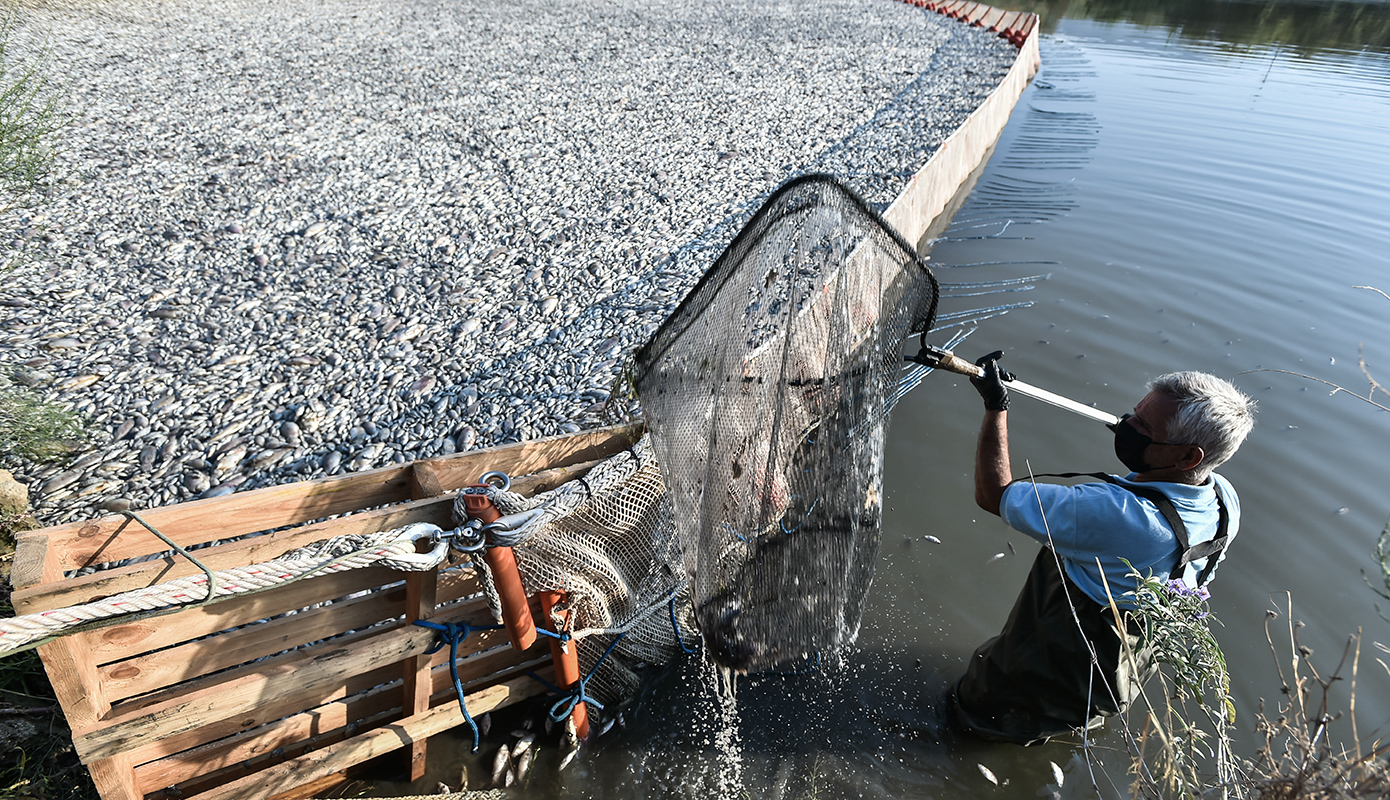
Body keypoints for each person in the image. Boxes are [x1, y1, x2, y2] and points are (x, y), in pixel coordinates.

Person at [951, 352, 1256, 744]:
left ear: (1187, 456)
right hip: (1117, 675)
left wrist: (996, 405)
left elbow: (994, 495)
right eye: (1133, 413)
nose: (1127, 425)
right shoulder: (1222, 498)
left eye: (1144, 426)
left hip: (1045, 667)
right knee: (1061, 719)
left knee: (972, 717)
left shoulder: (1117, 514)